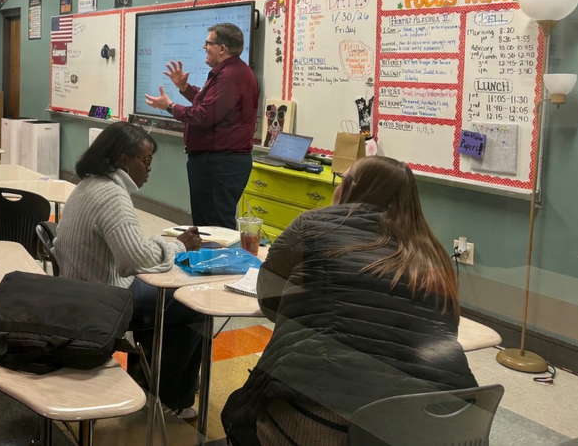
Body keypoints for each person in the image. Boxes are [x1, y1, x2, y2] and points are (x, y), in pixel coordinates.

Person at [222, 156, 477, 446]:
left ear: (350, 187)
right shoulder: (433, 252)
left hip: (331, 418)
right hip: (436, 425)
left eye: (343, 178)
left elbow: (268, 298)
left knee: (244, 418)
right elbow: (447, 329)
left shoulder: (313, 225)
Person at [55, 121, 205, 420]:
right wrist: (179, 247)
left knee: (162, 297)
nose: (150, 169)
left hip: (76, 289)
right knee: (192, 303)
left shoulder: (89, 184)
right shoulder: (112, 197)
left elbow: (125, 246)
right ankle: (172, 396)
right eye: (146, 161)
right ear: (124, 160)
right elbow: (134, 261)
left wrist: (158, 245)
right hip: (102, 301)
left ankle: (150, 380)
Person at [144, 22, 259, 228]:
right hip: (217, 162)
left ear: (222, 48)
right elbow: (210, 105)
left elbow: (204, 115)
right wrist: (185, 88)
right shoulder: (230, 72)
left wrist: (170, 106)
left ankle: (217, 261)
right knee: (209, 223)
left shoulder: (229, 76)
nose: (204, 48)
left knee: (214, 227)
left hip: (218, 164)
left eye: (208, 43)